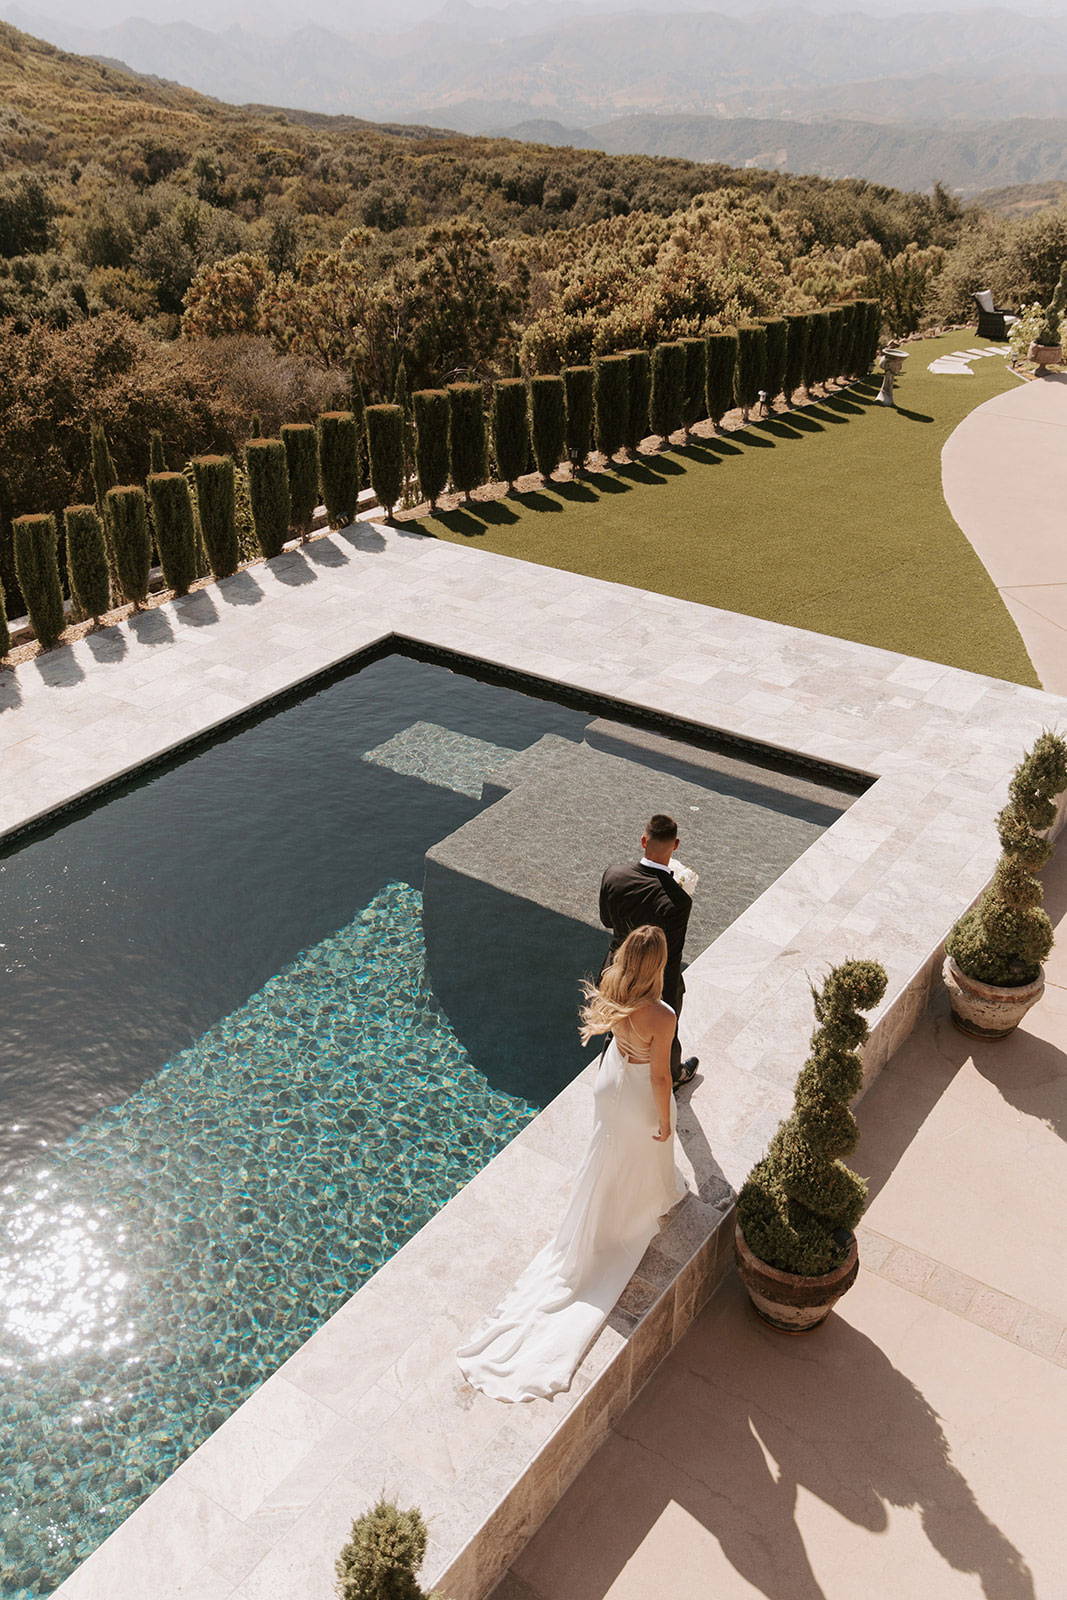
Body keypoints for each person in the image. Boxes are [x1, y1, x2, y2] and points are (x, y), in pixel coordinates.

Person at [456, 925, 686, 1403]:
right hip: (640, 1089)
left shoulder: (613, 986)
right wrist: (665, 1118)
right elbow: (662, 1076)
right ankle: (626, 1218)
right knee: (642, 1147)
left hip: (612, 1080)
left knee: (610, 1154)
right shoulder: (661, 1015)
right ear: (659, 965)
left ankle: (620, 1207)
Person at [599, 813, 699, 1090]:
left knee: (614, 1025)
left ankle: (608, 1072)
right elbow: (672, 954)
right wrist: (669, 999)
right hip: (653, 976)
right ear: (675, 845)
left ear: (644, 840)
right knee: (666, 1034)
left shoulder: (614, 875)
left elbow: (608, 921)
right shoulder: (678, 901)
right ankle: (674, 1073)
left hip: (615, 968)